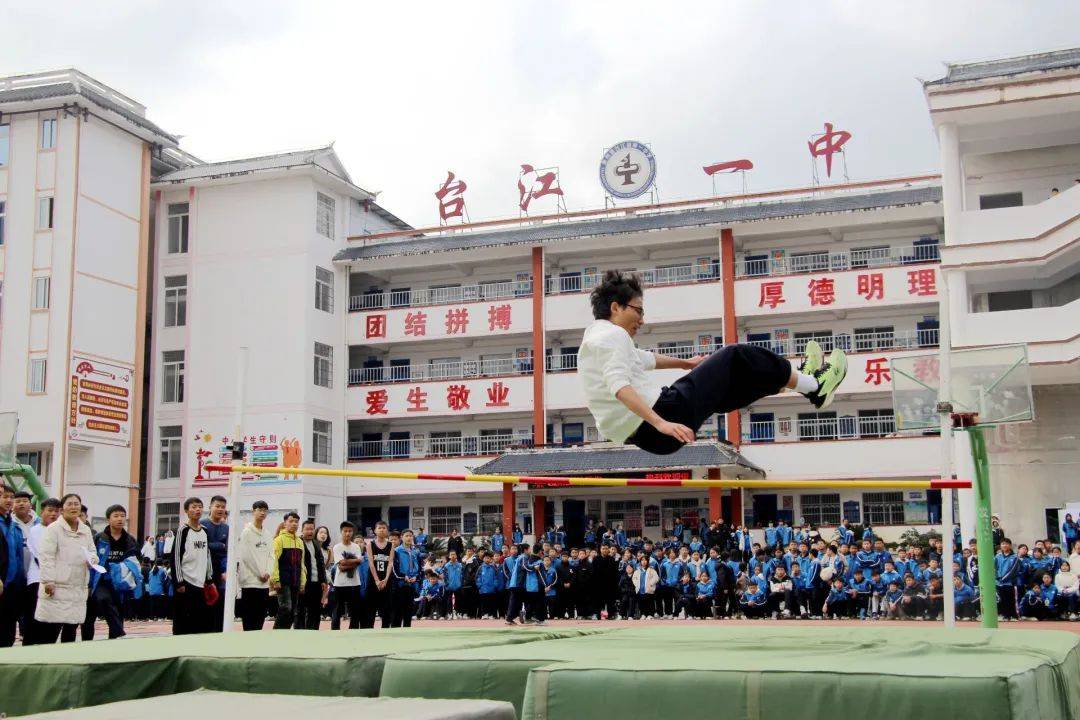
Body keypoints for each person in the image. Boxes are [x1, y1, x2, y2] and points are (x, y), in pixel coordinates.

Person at [577, 271, 848, 456]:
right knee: (735, 356)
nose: (642, 320)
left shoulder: (596, 338)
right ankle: (814, 385)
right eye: (638, 310)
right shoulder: (612, 336)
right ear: (616, 308)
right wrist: (661, 423)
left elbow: (645, 359)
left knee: (726, 389)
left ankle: (798, 383)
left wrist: (685, 364)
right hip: (663, 416)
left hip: (644, 436)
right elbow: (620, 387)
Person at [34, 494, 96, 643]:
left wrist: (92, 560)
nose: (73, 507)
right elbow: (46, 556)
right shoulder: (53, 529)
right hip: (57, 586)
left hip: (78, 585)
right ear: (62, 509)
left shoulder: (86, 530)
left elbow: (92, 552)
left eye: (76, 504)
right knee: (51, 630)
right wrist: (48, 581)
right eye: (70, 504)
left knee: (71, 630)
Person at [171, 497, 214, 635]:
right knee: (183, 620)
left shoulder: (205, 531)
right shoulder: (183, 530)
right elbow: (176, 556)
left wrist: (209, 578)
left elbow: (207, 555)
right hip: (186, 581)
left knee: (200, 620)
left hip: (201, 582)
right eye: (194, 507)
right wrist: (179, 581)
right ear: (186, 511)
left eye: (200, 507)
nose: (197, 510)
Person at [22, 498, 60, 644]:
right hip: (38, 580)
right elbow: (43, 557)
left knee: (53, 623)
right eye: (50, 511)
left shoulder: (61, 531)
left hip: (58, 581)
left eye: (56, 511)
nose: (53, 514)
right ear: (42, 512)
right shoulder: (36, 531)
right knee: (35, 620)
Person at [238, 500, 272, 631]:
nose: (262, 512)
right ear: (253, 511)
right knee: (249, 620)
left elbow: (271, 555)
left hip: (264, 583)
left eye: (265, 510)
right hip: (250, 582)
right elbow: (246, 556)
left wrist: (268, 572)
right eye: (259, 509)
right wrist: (260, 573)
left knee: (260, 618)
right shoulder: (247, 532)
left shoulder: (267, 534)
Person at [0, 484, 27, 647]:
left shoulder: (14, 526)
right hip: (1, 582)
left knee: (9, 630)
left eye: (12, 497)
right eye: (5, 496)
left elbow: (18, 557)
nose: (9, 500)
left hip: (13, 586)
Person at [270, 512, 306, 629]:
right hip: (283, 581)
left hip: (295, 581)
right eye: (291, 521)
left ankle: (284, 634)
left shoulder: (300, 542)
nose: (294, 524)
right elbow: (274, 561)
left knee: (293, 611)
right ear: (285, 523)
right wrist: (275, 579)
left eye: (296, 522)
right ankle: (277, 634)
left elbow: (302, 563)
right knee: (286, 608)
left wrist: (302, 582)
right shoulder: (278, 540)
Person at [199, 495, 229, 632]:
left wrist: (225, 570)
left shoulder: (226, 528)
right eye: (217, 506)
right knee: (205, 606)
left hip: (220, 573)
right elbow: (203, 547)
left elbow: (228, 551)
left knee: (220, 607)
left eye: (223, 507)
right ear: (210, 506)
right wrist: (219, 545)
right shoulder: (202, 525)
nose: (220, 509)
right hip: (203, 572)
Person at [331, 521, 367, 630]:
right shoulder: (337, 547)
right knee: (337, 610)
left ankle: (354, 630)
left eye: (350, 531)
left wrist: (348, 563)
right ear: (341, 532)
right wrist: (356, 560)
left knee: (355, 610)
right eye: (345, 531)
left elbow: (356, 563)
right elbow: (341, 563)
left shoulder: (356, 547)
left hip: (354, 583)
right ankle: (335, 631)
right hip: (339, 583)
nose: (347, 533)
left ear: (353, 532)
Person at [294, 520, 328, 630]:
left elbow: (321, 563)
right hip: (303, 582)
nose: (310, 531)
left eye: (312, 529)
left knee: (315, 610)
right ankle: (299, 632)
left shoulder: (316, 544)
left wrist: (323, 580)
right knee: (301, 610)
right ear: (302, 530)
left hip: (317, 582)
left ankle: (313, 631)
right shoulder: (297, 542)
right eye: (307, 529)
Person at [366, 521, 395, 628]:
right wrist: (377, 580)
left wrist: (386, 579)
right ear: (375, 530)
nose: (382, 530)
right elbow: (371, 563)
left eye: (384, 528)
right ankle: (369, 629)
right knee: (371, 608)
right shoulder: (370, 544)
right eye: (379, 528)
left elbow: (390, 563)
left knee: (386, 607)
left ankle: (386, 629)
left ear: (387, 530)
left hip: (386, 580)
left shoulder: (391, 545)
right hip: (373, 580)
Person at [391, 529, 420, 627]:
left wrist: (416, 577)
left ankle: (408, 632)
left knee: (409, 612)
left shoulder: (415, 552)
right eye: (406, 536)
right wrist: (404, 577)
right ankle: (395, 634)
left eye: (411, 536)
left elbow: (420, 569)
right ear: (402, 538)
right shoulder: (397, 551)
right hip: (400, 586)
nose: (409, 538)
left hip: (411, 585)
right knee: (398, 612)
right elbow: (393, 569)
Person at [994, 538, 1021, 621]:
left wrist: (1004, 578)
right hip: (999, 582)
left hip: (1010, 582)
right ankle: (1005, 615)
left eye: (1006, 544)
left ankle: (1013, 615)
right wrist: (997, 577)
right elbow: (994, 568)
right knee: (1001, 599)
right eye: (1002, 544)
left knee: (1011, 599)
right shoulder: (998, 557)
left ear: (1010, 545)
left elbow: (1013, 570)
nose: (1004, 545)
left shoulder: (1015, 557)